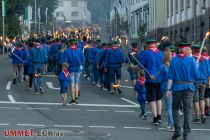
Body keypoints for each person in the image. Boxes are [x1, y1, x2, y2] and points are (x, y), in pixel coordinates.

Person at [166, 43, 200, 140]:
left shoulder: (174, 60)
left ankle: (177, 130)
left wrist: (168, 89)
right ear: (185, 50)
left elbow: (170, 76)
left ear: (178, 50)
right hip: (189, 87)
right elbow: (197, 76)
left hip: (177, 87)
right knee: (187, 110)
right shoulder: (191, 60)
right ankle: (186, 133)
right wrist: (196, 67)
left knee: (175, 108)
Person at [139, 39, 163, 125]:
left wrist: (133, 67)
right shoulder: (161, 53)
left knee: (151, 99)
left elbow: (140, 66)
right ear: (155, 45)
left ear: (148, 45)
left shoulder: (146, 53)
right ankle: (159, 116)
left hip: (150, 79)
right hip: (160, 79)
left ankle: (155, 118)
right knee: (159, 98)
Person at [191, 44, 210, 124]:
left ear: (193, 50)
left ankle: (198, 117)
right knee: (201, 99)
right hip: (204, 81)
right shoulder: (205, 60)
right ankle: (203, 115)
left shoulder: (192, 59)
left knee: (195, 100)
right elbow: (208, 72)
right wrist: (208, 81)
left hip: (196, 81)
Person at [64, 38, 84, 104]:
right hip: (78, 68)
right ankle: (76, 98)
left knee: (71, 84)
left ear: (70, 43)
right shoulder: (79, 50)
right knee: (76, 83)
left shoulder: (67, 51)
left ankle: (73, 98)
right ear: (75, 43)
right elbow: (83, 59)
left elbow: (65, 62)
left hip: (71, 68)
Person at [159, 52, 174, 132]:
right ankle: (169, 124)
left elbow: (160, 77)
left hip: (165, 86)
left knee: (168, 107)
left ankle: (172, 125)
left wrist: (154, 77)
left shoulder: (162, 66)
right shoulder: (173, 65)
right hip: (174, 86)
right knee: (172, 107)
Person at [202, 47, 210, 116]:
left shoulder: (201, 59)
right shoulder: (208, 58)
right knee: (206, 95)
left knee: (204, 96)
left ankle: (207, 109)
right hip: (207, 78)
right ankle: (206, 108)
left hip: (205, 78)